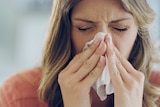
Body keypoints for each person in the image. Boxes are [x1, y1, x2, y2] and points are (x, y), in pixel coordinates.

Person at [0, 0, 160, 107]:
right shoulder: (18, 95)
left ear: (138, 32)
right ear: (65, 32)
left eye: (120, 28)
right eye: (84, 28)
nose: (104, 45)